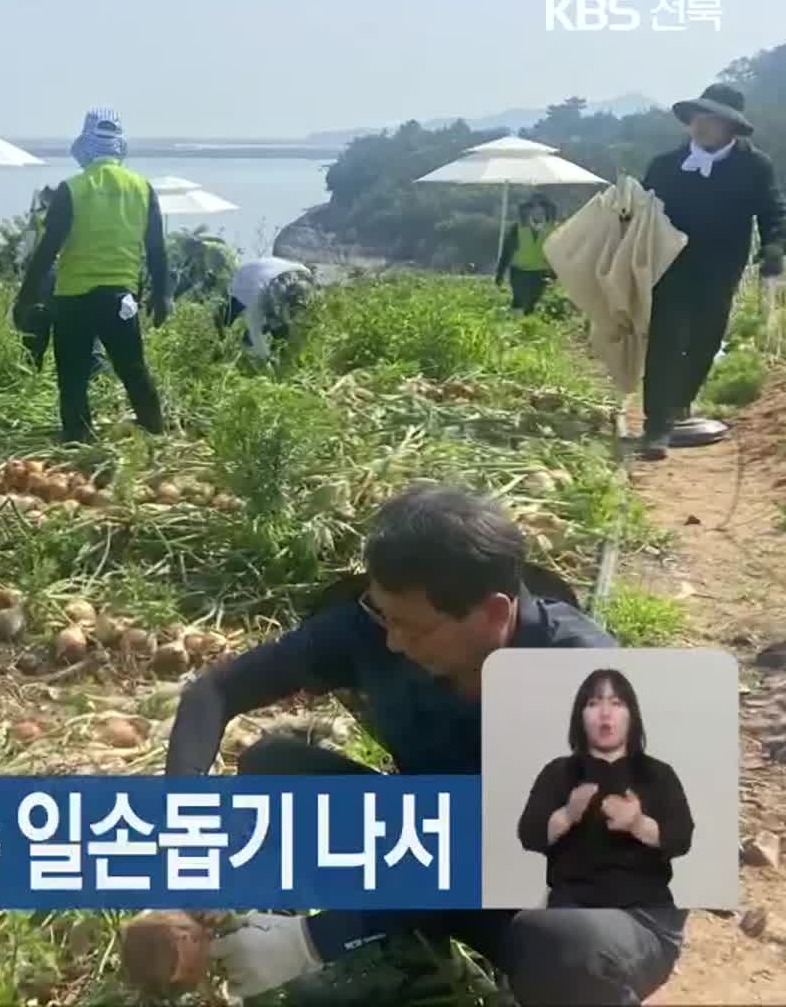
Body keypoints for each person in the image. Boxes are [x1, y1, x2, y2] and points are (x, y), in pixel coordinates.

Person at [165, 484, 683, 1006]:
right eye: (384, 616)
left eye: (410, 627)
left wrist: (310, 941)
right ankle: (407, 953)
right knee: (275, 770)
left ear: (493, 614)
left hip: (575, 900)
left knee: (565, 949)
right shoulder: (380, 627)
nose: (392, 641)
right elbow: (217, 689)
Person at [637, 83, 785, 459]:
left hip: (720, 267)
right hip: (669, 266)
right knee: (666, 341)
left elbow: (772, 211)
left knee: (706, 340)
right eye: (697, 120)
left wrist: (773, 248)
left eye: (711, 121)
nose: (700, 127)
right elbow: (638, 215)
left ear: (730, 128)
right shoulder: (665, 166)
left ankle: (679, 403)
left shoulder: (754, 166)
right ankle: (656, 426)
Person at [20, 109, 172, 442]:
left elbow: (48, 250)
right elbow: (157, 249)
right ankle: (156, 435)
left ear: (85, 144)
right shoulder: (143, 188)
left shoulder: (73, 188)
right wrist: (162, 295)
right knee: (134, 371)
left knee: (72, 379)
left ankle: (77, 441)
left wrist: (26, 298)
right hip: (121, 300)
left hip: (73, 299)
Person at [518, 668, 694, 910]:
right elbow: (529, 834)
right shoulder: (558, 772)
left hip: (646, 907)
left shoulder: (658, 773)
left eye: (616, 703)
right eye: (593, 703)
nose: (605, 713)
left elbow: (681, 838)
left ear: (632, 716)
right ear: (580, 717)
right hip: (572, 905)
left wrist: (638, 824)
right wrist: (567, 815)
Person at [220, 256, 317, 361]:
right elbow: (255, 332)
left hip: (268, 268)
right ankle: (229, 340)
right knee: (226, 322)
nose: (295, 317)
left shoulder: (303, 274)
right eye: (292, 313)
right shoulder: (259, 297)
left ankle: (283, 353)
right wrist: (266, 358)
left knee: (281, 328)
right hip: (243, 281)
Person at [495, 195, 560, 315]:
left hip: (540, 273)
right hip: (519, 271)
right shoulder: (517, 228)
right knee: (519, 300)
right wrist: (500, 273)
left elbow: (558, 254)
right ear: (528, 211)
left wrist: (554, 274)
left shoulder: (552, 230)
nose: (538, 213)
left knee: (532, 303)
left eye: (541, 210)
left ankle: (527, 326)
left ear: (546, 212)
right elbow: (506, 252)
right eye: (534, 209)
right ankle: (515, 325)